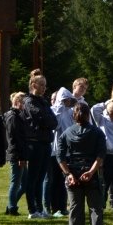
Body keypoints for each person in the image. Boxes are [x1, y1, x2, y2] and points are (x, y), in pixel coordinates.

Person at [56, 100, 113, 225]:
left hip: (73, 176)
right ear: (88, 115)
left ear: (73, 116)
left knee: (75, 212)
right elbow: (100, 155)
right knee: (95, 211)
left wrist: (69, 174)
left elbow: (60, 157)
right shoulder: (97, 133)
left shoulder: (66, 133)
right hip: (91, 176)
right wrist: (91, 172)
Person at [21, 72, 59, 220]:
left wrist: (47, 122)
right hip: (34, 143)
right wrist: (47, 122)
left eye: (45, 85)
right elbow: (40, 119)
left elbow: (54, 121)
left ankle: (40, 208)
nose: (44, 88)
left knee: (41, 177)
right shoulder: (29, 101)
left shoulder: (43, 102)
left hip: (45, 143)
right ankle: (32, 209)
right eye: (41, 85)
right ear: (33, 85)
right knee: (33, 178)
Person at [45, 87, 78, 217]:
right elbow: (56, 125)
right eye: (65, 100)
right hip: (55, 150)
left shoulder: (70, 112)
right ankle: (54, 207)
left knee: (65, 179)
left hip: (68, 151)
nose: (67, 103)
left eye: (69, 100)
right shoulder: (53, 110)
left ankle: (63, 207)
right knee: (54, 180)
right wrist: (59, 109)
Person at [3, 91, 29, 216]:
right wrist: (21, 156)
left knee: (24, 184)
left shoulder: (18, 116)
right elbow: (15, 138)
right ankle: (12, 207)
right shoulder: (13, 117)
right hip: (16, 154)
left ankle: (10, 205)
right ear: (18, 103)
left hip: (20, 153)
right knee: (16, 181)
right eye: (24, 103)